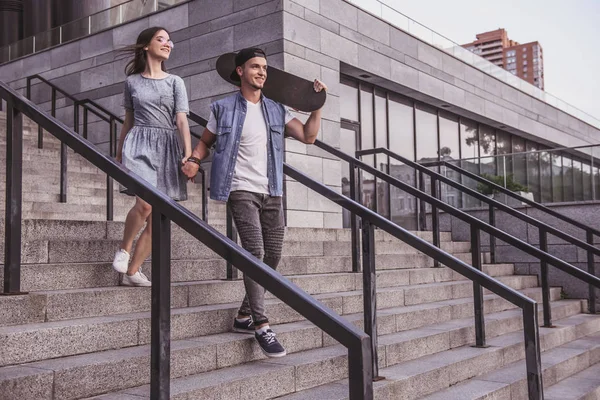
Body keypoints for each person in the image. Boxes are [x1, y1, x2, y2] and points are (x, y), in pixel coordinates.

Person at [181, 47, 327, 358]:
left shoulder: (276, 109)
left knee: (273, 253)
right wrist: (194, 159)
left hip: (272, 190)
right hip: (240, 188)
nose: (261, 72)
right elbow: (206, 141)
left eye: (264, 67)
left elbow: (308, 137)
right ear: (240, 72)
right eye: (255, 67)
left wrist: (317, 105)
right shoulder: (222, 108)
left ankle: (244, 315)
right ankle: (261, 324)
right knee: (255, 251)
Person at [112, 27, 192, 287]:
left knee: (159, 216)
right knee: (145, 205)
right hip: (139, 144)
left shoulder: (175, 82)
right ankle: (124, 250)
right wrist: (119, 151)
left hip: (167, 146)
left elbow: (181, 120)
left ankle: (133, 271)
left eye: (169, 40)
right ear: (146, 46)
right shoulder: (132, 82)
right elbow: (128, 120)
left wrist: (189, 153)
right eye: (161, 39)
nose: (168, 44)